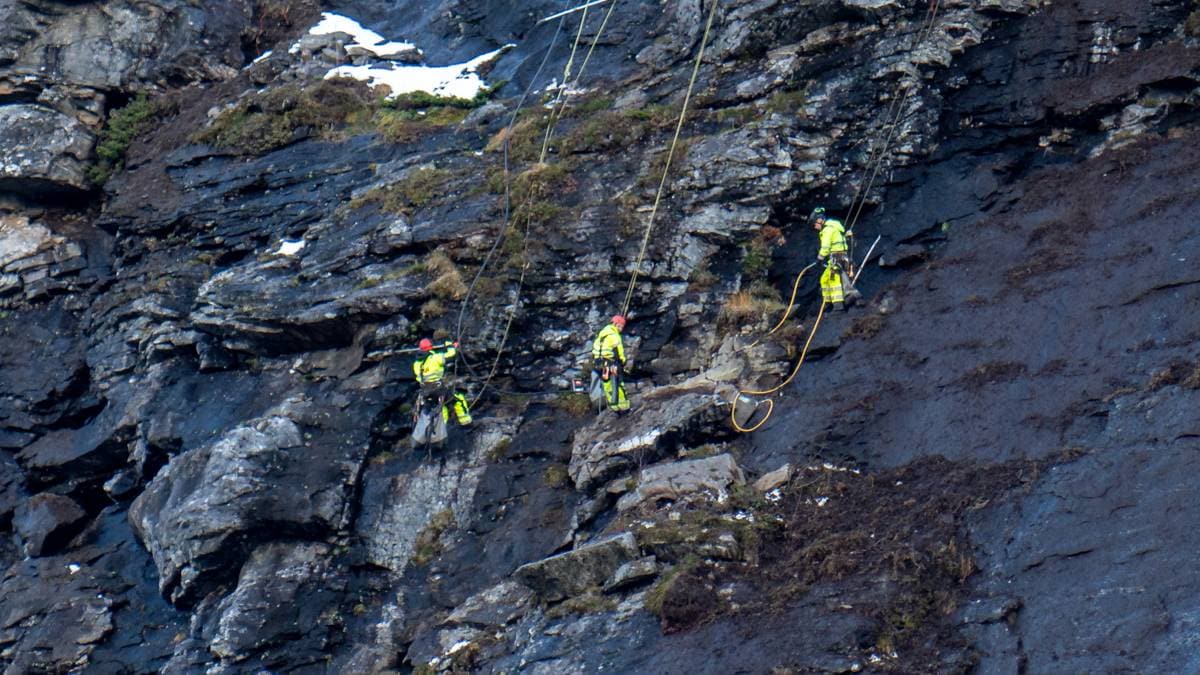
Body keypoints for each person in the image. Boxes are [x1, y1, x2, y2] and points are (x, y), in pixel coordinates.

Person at [810, 206, 862, 310]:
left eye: (814, 223)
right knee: (824, 279)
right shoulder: (835, 228)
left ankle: (838, 305)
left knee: (833, 279)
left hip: (836, 258)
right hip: (842, 257)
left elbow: (825, 247)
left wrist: (819, 259)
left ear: (820, 220)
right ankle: (827, 301)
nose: (814, 227)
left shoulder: (827, 231)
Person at [413, 338, 472, 426]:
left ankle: (440, 429)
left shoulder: (416, 364)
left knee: (441, 406)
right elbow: (451, 355)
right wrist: (450, 346)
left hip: (425, 391)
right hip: (437, 388)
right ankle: (466, 422)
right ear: (431, 347)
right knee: (458, 399)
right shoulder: (435, 358)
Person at [591, 315, 630, 413]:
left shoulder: (601, 334)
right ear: (616, 324)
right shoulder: (614, 336)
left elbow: (595, 350)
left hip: (599, 364)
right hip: (611, 363)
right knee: (618, 384)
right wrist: (623, 361)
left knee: (607, 385)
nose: (621, 329)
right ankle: (624, 407)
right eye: (620, 326)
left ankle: (614, 407)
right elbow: (619, 351)